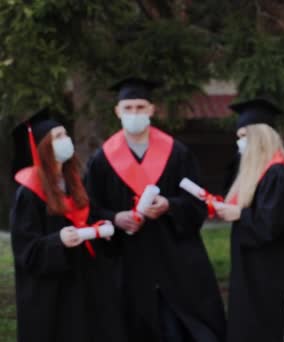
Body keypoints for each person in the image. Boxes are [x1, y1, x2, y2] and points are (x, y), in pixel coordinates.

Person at [84, 77, 226, 342]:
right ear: (118, 112)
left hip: (173, 258)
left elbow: (197, 203)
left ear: (152, 109)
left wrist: (170, 205)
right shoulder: (102, 160)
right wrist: (115, 217)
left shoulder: (177, 153)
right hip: (128, 261)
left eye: (140, 107)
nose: (134, 114)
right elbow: (89, 210)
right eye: (128, 108)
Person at [10, 109, 126, 342]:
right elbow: (26, 251)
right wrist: (57, 241)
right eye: (58, 137)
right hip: (53, 293)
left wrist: (101, 229)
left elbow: (89, 218)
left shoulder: (74, 183)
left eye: (65, 134)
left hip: (85, 282)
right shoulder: (30, 193)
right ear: (43, 148)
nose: (66, 141)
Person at [216, 98, 284, 342]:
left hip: (270, 274)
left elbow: (270, 226)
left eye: (243, 135)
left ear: (258, 138)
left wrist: (239, 214)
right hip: (252, 270)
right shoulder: (259, 173)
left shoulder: (277, 174)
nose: (239, 141)